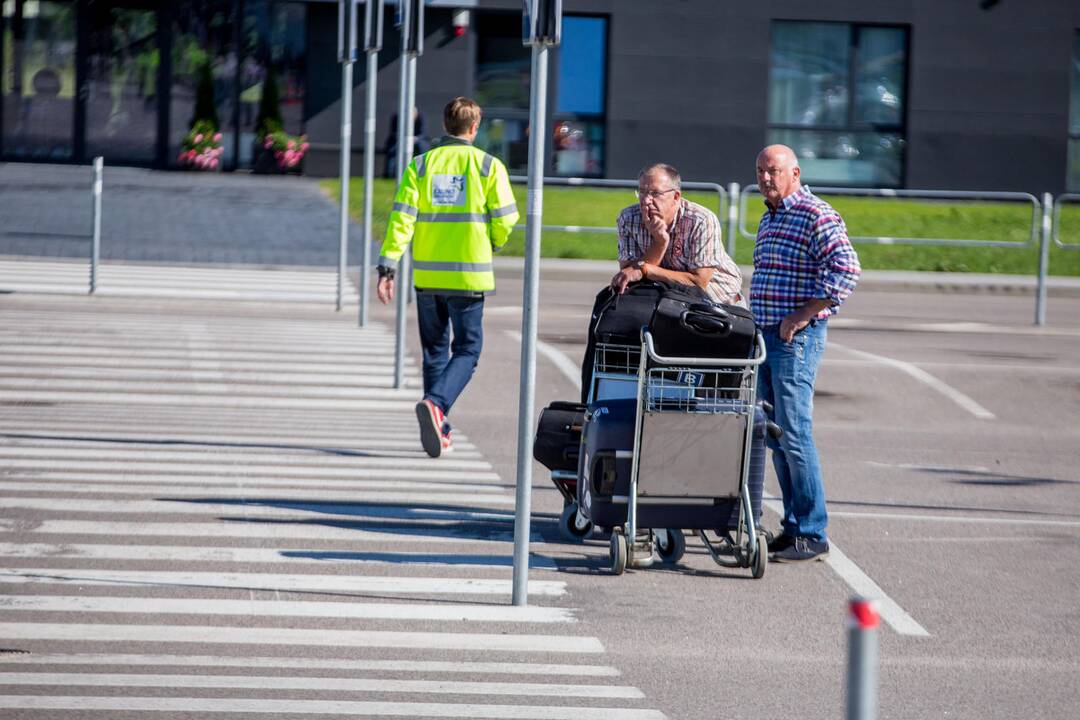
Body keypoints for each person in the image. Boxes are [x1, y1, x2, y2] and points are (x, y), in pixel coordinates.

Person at [377, 97, 519, 458]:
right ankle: (437, 405)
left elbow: (402, 218)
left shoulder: (420, 166)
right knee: (468, 351)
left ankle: (439, 427)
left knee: (435, 352)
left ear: (444, 125)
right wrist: (494, 243)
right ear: (475, 127)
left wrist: (387, 266)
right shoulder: (488, 166)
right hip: (469, 276)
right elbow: (505, 218)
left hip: (427, 276)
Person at [751, 144, 860, 562]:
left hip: (795, 339)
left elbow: (846, 269)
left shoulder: (815, 213)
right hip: (764, 337)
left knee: (794, 433)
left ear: (794, 172)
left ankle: (813, 531)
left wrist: (802, 314)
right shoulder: (771, 215)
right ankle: (794, 526)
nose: (765, 178)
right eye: (760, 170)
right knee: (775, 435)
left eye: (773, 170)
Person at [610, 163, 742, 305]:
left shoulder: (700, 220)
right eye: (642, 192)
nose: (646, 200)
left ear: (676, 196)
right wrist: (660, 243)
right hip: (667, 301)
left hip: (718, 302)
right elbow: (629, 274)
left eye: (655, 193)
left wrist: (646, 269)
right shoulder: (629, 217)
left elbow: (699, 283)